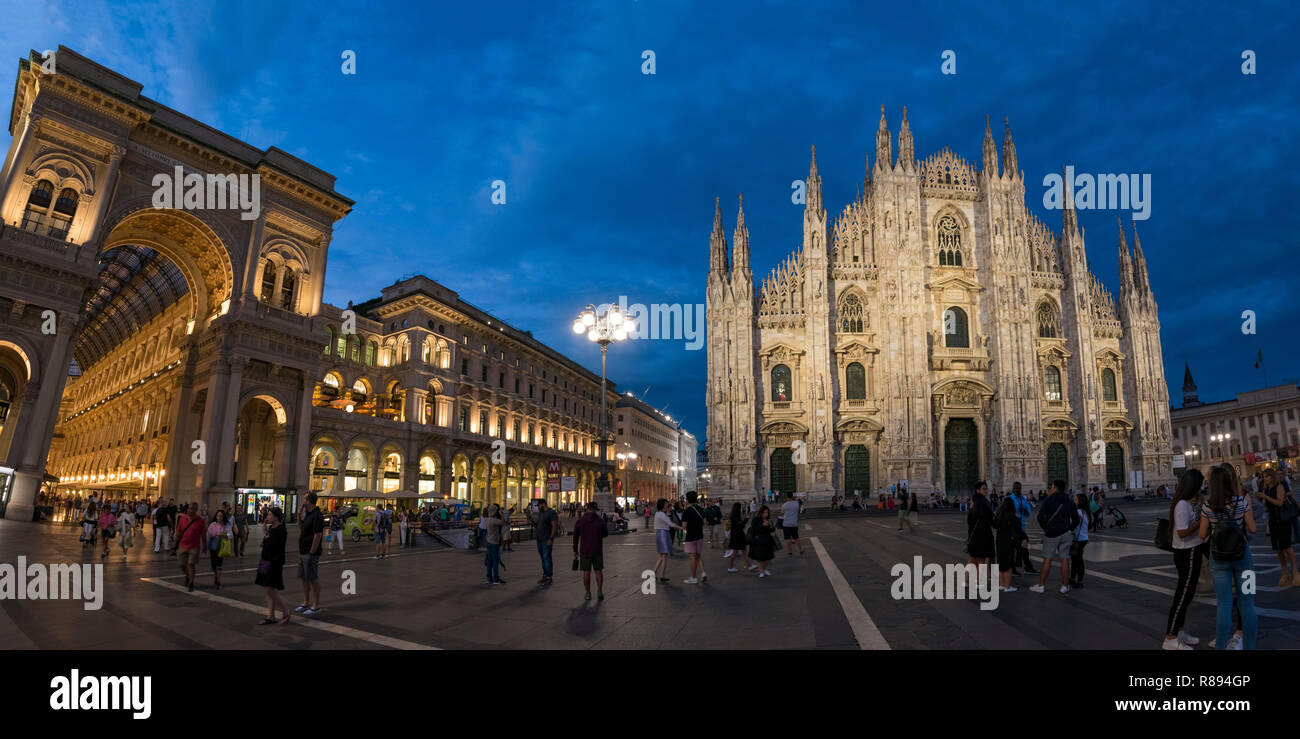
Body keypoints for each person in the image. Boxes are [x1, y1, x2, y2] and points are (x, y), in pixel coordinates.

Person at [1199, 466, 1258, 650]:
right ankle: (1250, 647)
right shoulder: (1241, 502)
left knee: (1223, 605)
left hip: (1218, 560)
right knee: (1248, 603)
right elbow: (1253, 529)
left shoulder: (1208, 506)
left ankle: (1220, 647)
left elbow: (1202, 535)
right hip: (1245, 559)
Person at [1163, 469, 1205, 650]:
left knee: (1186, 596)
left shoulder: (1187, 503)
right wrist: (1201, 523)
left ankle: (1179, 631)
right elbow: (1182, 532)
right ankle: (1170, 638)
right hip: (1186, 553)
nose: (1202, 488)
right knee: (1182, 596)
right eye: (1200, 484)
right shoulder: (1181, 505)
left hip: (1192, 551)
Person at [1029, 480, 1078, 594]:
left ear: (1055, 488)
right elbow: (1076, 519)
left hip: (1051, 534)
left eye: (1051, 486)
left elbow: (1040, 517)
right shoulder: (1069, 500)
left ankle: (1041, 586)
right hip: (1065, 533)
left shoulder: (1049, 500)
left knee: (1047, 559)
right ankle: (1065, 586)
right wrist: (1069, 529)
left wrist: (1046, 528)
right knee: (1064, 559)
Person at [1257, 467, 1297, 587]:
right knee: (1278, 549)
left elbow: (1279, 503)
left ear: (1272, 477)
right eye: (1264, 477)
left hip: (1282, 520)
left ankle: (1295, 573)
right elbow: (1267, 505)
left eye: (1267, 476)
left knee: (1287, 548)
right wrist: (1261, 498)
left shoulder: (1279, 486)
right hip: (1273, 521)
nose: (1265, 479)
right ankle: (1285, 573)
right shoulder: (1266, 488)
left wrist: (1266, 497)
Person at [256, 506, 291, 625]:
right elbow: (264, 543)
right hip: (265, 559)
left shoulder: (281, 529)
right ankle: (270, 616)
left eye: (270, 515)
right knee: (268, 589)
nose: (268, 517)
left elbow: (276, 546)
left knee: (270, 589)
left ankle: (286, 612)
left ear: (276, 516)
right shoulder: (271, 528)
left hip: (274, 561)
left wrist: (266, 536)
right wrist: (265, 533)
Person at [295, 492, 325, 616]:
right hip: (303, 551)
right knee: (304, 578)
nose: (303, 502)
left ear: (309, 501)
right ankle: (306, 602)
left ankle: (316, 605)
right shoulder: (308, 514)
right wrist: (298, 515)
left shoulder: (317, 515)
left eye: (304, 499)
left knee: (312, 578)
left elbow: (318, 535)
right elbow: (301, 529)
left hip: (310, 553)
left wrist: (312, 552)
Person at [572, 501, 608, 600]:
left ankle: (588, 593)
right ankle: (600, 591)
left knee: (586, 572)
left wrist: (575, 550)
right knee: (598, 571)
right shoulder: (600, 521)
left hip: (584, 550)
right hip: (597, 549)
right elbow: (605, 534)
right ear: (595, 510)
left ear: (587, 509)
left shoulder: (580, 521)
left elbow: (575, 537)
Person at [175, 503, 206, 592]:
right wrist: (175, 543)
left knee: (191, 565)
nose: (189, 510)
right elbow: (178, 532)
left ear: (196, 510)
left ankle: (191, 583)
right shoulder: (182, 518)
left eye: (192, 509)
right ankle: (188, 576)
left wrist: (204, 546)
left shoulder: (200, 520)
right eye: (189, 508)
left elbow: (203, 535)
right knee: (182, 565)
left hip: (194, 546)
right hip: (183, 545)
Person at [1008, 482, 1038, 575]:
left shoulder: (1022, 499)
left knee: (1023, 547)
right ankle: (1019, 567)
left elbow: (1028, 510)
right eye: (1015, 488)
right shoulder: (1009, 499)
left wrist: (1023, 511)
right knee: (1014, 549)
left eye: (1018, 488)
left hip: (1021, 527)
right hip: (1012, 528)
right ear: (1013, 489)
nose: (1017, 490)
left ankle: (1026, 567)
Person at [993, 496, 1021, 593]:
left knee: (1000, 562)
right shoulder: (1011, 516)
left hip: (999, 540)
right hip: (1008, 541)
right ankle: (1007, 587)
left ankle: (1001, 584)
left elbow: (995, 525)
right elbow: (1017, 527)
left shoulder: (999, 515)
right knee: (1008, 564)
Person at [681, 491, 709, 584]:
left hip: (691, 537)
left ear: (688, 500)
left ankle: (693, 577)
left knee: (692, 557)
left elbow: (684, 526)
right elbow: (705, 523)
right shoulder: (701, 509)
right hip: (700, 535)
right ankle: (703, 573)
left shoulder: (687, 511)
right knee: (698, 556)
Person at [965, 481, 995, 567]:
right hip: (982, 534)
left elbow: (970, 520)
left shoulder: (974, 501)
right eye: (984, 489)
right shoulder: (982, 502)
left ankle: (965, 580)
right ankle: (984, 580)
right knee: (981, 560)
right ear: (978, 490)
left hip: (975, 534)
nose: (986, 490)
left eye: (986, 488)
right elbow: (988, 517)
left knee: (973, 560)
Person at [530, 499, 559, 585]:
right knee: (543, 558)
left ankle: (549, 576)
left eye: (539, 505)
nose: (538, 507)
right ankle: (545, 575)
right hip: (539, 538)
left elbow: (554, 526)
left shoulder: (551, 513)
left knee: (547, 557)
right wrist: (532, 522)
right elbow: (537, 526)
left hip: (546, 538)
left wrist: (551, 538)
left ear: (543, 504)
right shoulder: (541, 513)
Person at [653, 499, 681, 583]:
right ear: (662, 505)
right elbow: (671, 523)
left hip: (660, 533)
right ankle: (662, 575)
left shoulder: (658, 513)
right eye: (666, 504)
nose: (667, 505)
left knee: (662, 555)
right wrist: (681, 528)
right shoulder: (662, 514)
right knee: (664, 556)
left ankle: (655, 572)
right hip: (663, 534)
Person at [724, 502, 756, 572]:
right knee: (736, 553)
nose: (741, 508)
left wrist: (746, 519)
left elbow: (740, 525)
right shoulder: (735, 517)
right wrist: (746, 520)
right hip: (738, 537)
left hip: (737, 536)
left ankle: (749, 566)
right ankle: (730, 567)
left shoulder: (733, 516)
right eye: (740, 507)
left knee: (743, 551)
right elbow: (740, 526)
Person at [748, 505, 777, 578]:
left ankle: (763, 570)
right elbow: (755, 529)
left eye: (767, 512)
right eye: (764, 512)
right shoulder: (756, 519)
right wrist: (762, 525)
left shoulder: (768, 519)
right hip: (759, 541)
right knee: (760, 558)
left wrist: (771, 525)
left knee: (768, 557)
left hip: (767, 540)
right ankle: (761, 572)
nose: (766, 514)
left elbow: (772, 530)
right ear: (760, 512)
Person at [1068, 493, 1090, 589]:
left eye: (1076, 499)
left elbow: (1073, 522)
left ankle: (1079, 581)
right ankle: (1072, 578)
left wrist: (1069, 530)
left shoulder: (1078, 512)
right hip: (1083, 538)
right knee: (1075, 559)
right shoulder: (1085, 512)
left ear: (1080, 501)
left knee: (1078, 560)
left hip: (1078, 539)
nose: (1074, 501)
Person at [207, 509, 232, 589]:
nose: (219, 517)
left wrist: (224, 535)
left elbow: (230, 535)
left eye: (221, 516)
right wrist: (206, 546)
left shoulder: (226, 525)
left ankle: (218, 580)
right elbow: (208, 535)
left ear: (223, 517)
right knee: (213, 564)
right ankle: (216, 575)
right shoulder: (212, 525)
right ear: (216, 516)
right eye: (218, 516)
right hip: (213, 546)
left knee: (219, 564)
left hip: (222, 546)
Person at [483, 503, 505, 584]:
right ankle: (496, 579)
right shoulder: (493, 520)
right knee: (495, 561)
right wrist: (502, 514)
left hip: (489, 541)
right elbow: (503, 522)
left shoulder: (488, 519)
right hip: (494, 543)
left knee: (489, 561)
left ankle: (489, 578)